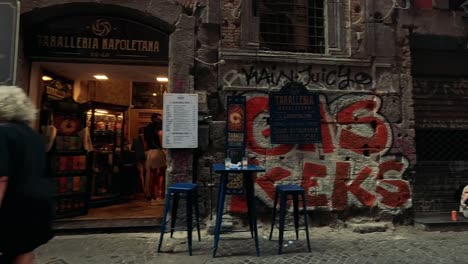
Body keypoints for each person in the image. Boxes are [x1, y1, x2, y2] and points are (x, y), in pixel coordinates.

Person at [0, 86, 54, 264]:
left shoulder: (3, 132)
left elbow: (2, 177)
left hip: (13, 204)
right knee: (24, 250)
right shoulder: (34, 136)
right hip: (38, 204)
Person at [143, 113, 166, 201]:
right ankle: (160, 194)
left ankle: (150, 194)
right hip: (157, 151)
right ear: (156, 118)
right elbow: (160, 136)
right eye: (160, 118)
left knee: (150, 174)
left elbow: (145, 142)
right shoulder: (158, 126)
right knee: (161, 174)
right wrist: (163, 147)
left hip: (149, 152)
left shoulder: (147, 127)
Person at [132, 127, 146, 193]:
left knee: (141, 174)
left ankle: (142, 189)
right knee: (148, 173)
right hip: (146, 156)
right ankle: (146, 189)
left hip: (138, 158)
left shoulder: (135, 139)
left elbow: (132, 149)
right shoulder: (147, 138)